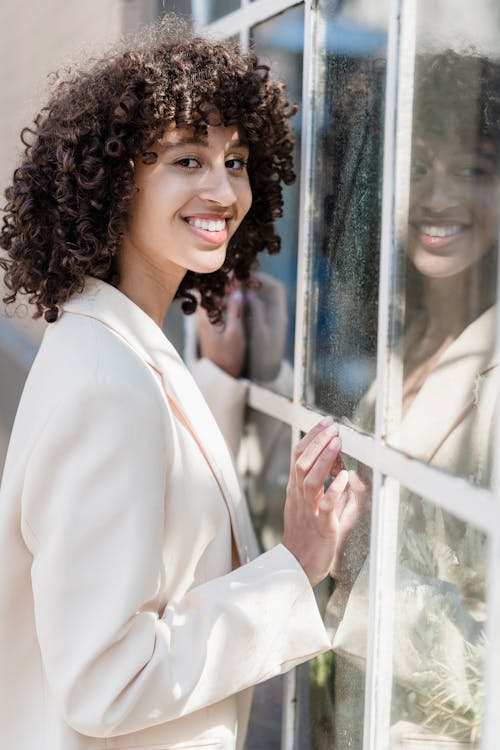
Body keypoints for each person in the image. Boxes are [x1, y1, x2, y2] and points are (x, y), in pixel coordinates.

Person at [0, 18, 361, 750]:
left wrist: (222, 379)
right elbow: (107, 683)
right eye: (188, 160)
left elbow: (161, 511)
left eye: (237, 160)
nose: (224, 189)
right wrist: (293, 571)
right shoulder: (109, 384)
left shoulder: (117, 347)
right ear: (111, 182)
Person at [194, 49, 500, 748]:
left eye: (474, 171)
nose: (437, 195)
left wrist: (355, 570)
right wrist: (256, 377)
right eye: (416, 167)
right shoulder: (409, 341)